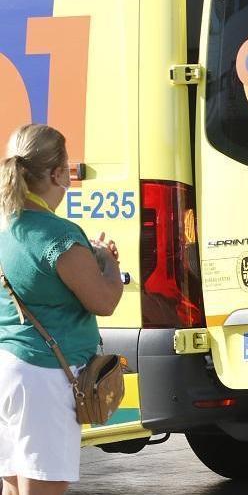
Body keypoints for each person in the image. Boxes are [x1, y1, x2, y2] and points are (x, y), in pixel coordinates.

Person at [0, 124, 124, 495]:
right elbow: (105, 301)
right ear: (56, 173)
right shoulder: (59, 237)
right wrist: (109, 263)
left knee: (14, 485)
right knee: (44, 486)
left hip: (9, 368)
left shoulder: (7, 227)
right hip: (46, 376)